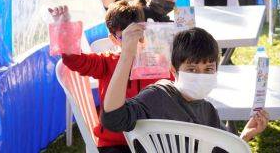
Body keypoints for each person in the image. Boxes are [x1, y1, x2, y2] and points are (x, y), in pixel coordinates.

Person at [101, 27, 270, 149]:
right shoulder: (156, 98)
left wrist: (245, 135)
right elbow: (113, 118)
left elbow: (221, 149)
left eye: (208, 69)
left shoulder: (208, 111)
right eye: (192, 69)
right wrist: (126, 57)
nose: (201, 76)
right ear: (173, 70)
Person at [52, 0, 167, 153]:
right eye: (126, 37)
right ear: (113, 39)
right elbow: (73, 60)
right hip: (114, 141)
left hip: (151, 138)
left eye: (137, 34)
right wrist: (64, 28)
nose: (133, 41)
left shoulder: (159, 61)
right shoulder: (106, 62)